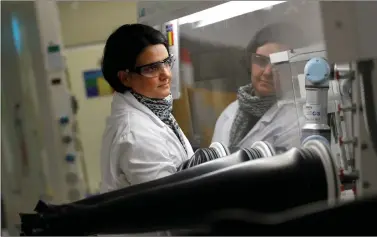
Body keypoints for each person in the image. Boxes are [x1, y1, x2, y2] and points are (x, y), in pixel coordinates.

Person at [100, 24, 194, 193]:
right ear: (125, 78)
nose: (166, 74)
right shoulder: (135, 135)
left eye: (166, 62)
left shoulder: (156, 109)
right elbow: (170, 201)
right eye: (152, 68)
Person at [212, 23, 308, 151]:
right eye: (261, 61)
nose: (268, 72)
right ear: (249, 63)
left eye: (279, 65)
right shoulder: (229, 112)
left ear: (293, 70)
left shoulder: (297, 119)